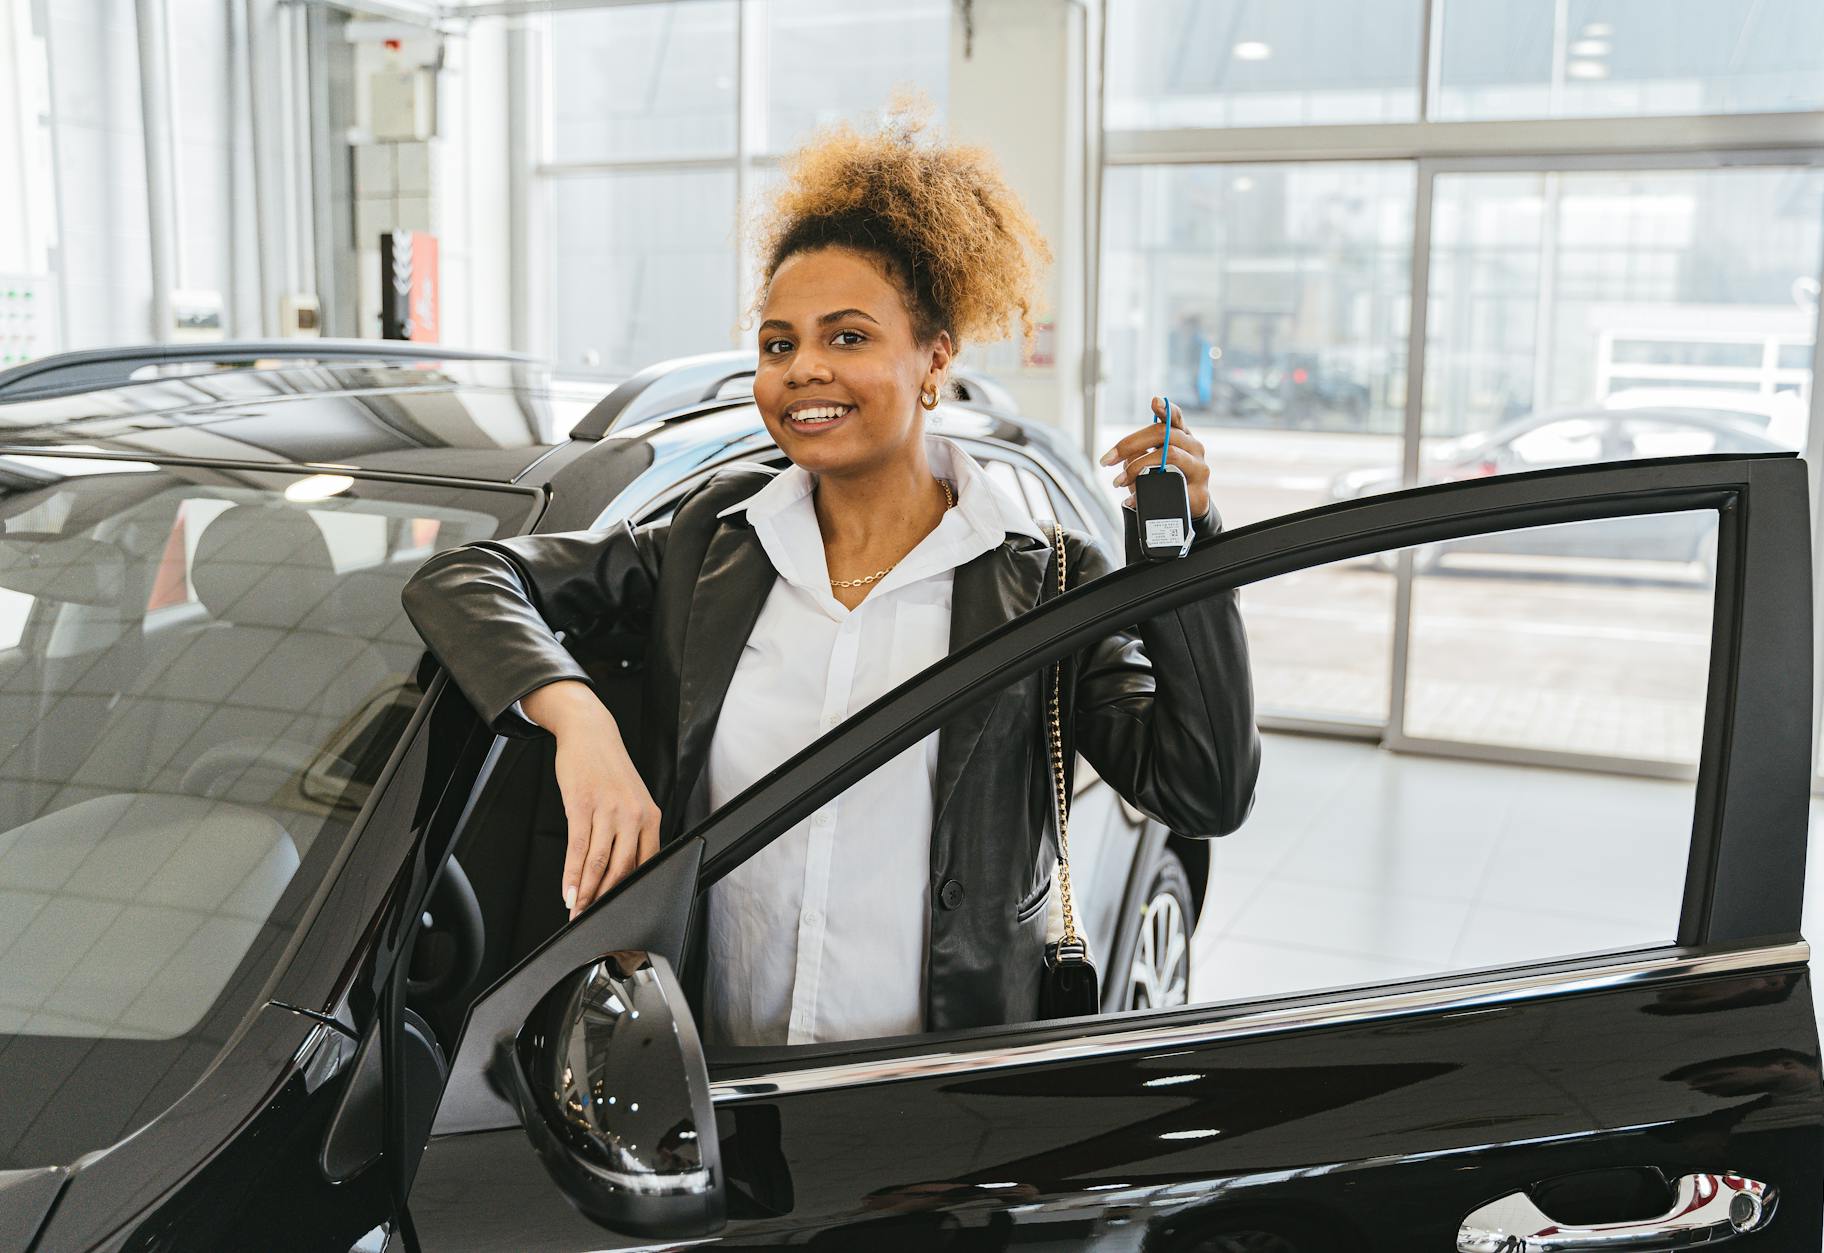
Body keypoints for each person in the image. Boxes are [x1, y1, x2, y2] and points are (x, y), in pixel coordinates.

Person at [400, 107, 1257, 1048]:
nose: (804, 369)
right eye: (778, 343)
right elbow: (469, 578)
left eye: (847, 337)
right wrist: (579, 720)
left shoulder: (1044, 578)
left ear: (934, 358)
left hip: (933, 1100)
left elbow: (1204, 787)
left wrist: (1190, 554)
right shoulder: (709, 543)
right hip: (710, 1080)